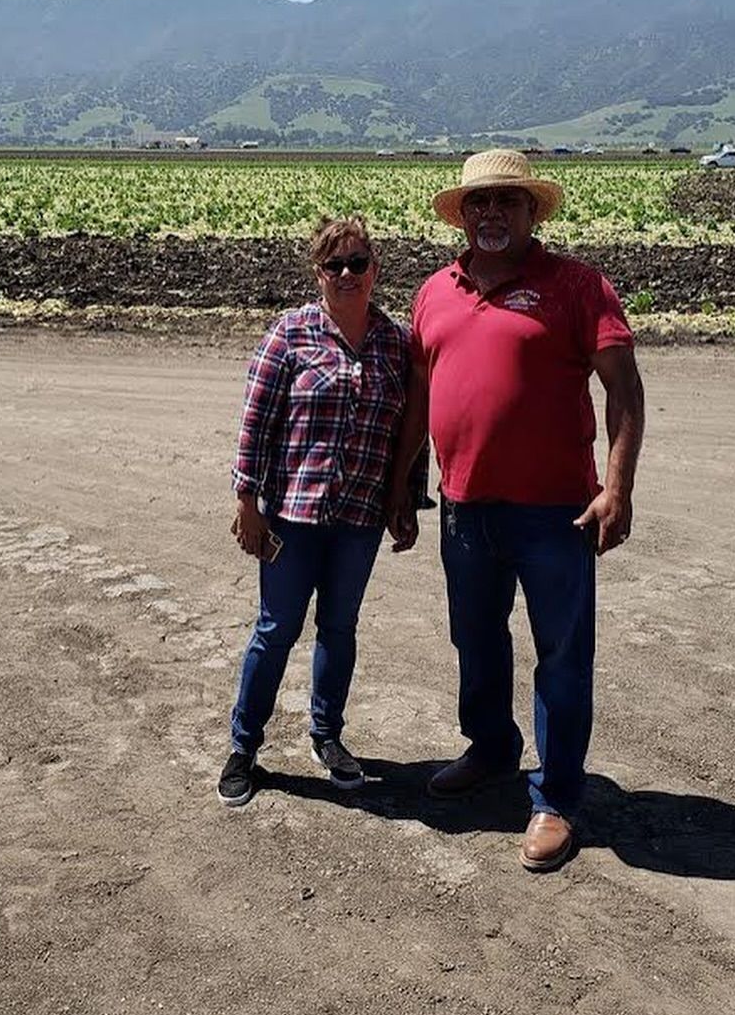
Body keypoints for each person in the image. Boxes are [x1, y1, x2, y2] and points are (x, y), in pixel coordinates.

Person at [387, 150, 645, 873]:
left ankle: (557, 797)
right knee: (475, 637)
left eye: (508, 202)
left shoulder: (576, 286)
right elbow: (421, 396)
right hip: (465, 506)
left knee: (562, 655)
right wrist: (404, 484)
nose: (492, 215)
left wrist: (617, 488)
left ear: (534, 212)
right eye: (480, 204)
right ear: (462, 216)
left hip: (557, 512)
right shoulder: (434, 291)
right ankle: (492, 748)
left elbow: (625, 392)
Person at [218, 215, 416, 808]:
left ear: (376, 270)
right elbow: (256, 422)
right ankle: (244, 747)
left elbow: (409, 428)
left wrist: (404, 498)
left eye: (359, 263)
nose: (348, 274)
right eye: (336, 265)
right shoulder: (291, 334)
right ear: (318, 273)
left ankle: (327, 736)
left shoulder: (395, 342)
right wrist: (246, 500)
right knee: (276, 628)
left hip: (358, 518)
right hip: (292, 517)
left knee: (340, 628)